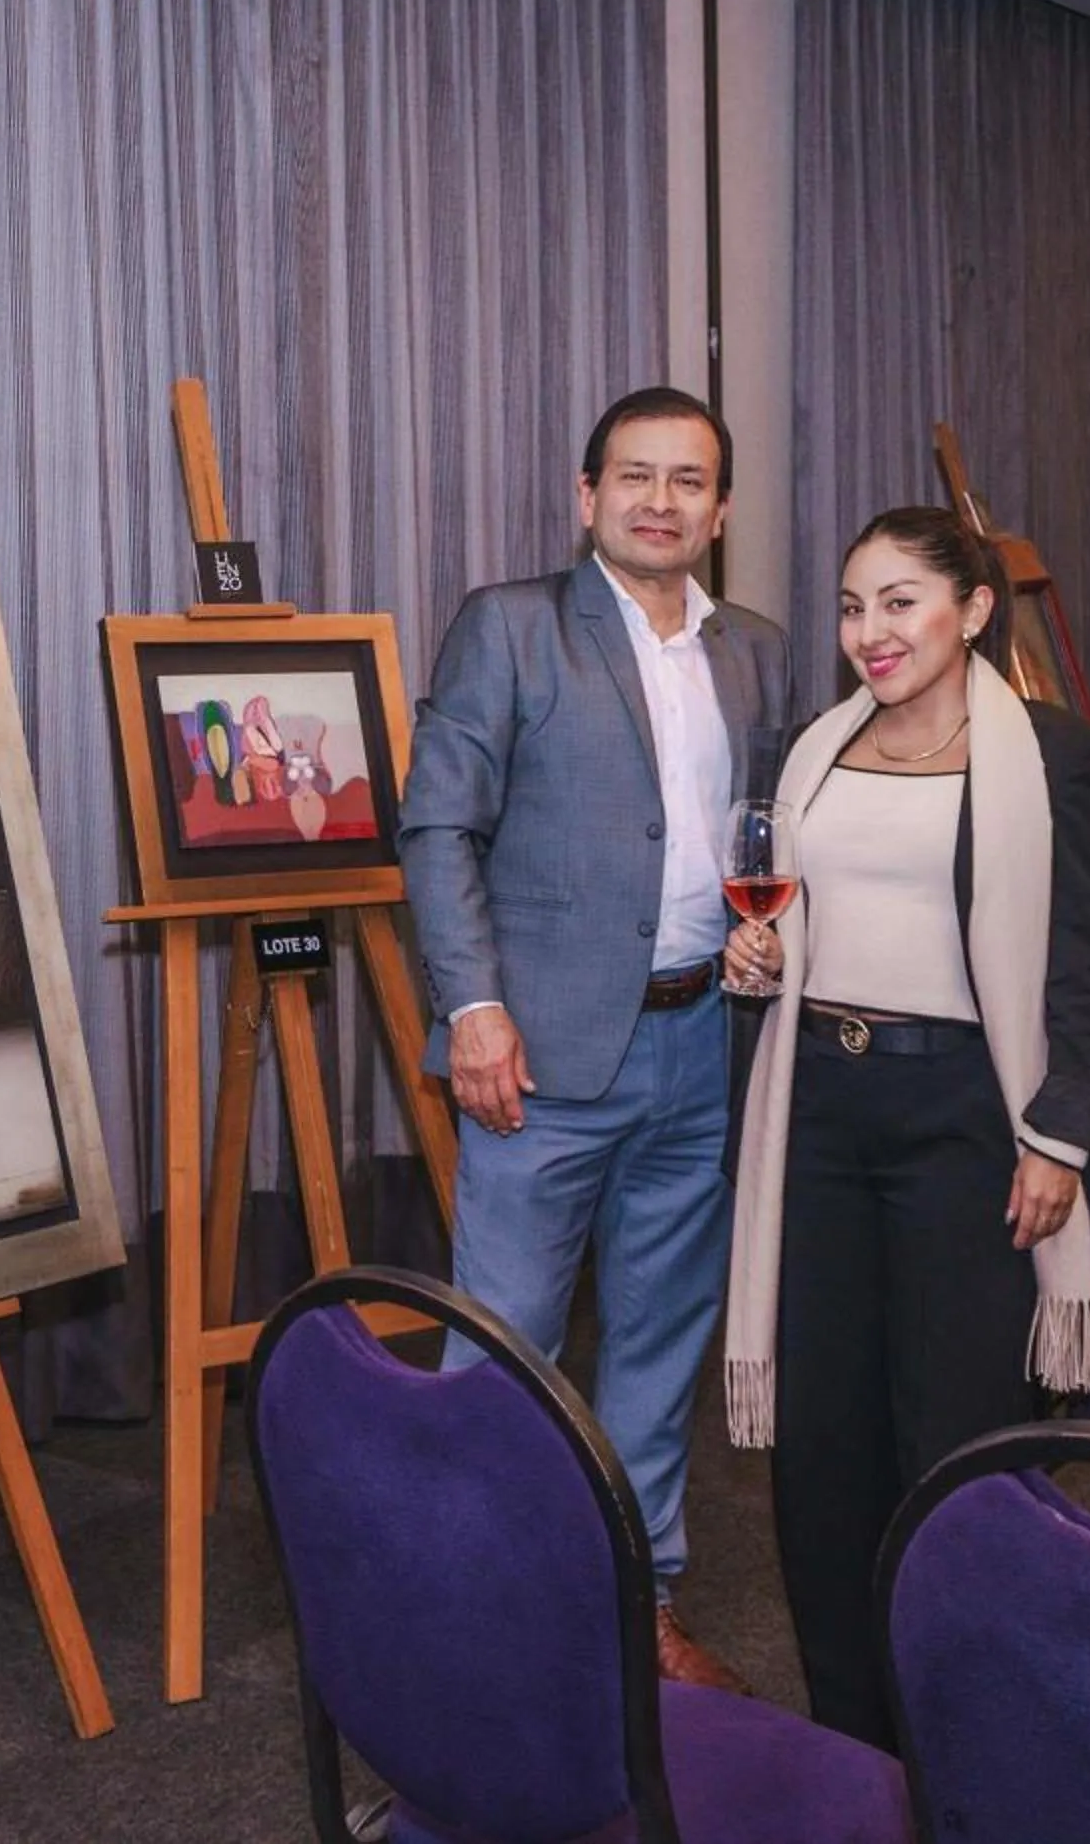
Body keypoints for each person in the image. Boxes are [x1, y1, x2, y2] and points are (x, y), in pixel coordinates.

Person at [401, 386, 798, 1691]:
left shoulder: (757, 650)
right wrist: (473, 1008)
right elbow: (439, 828)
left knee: (658, 1347)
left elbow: (764, 836)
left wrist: (764, 938)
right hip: (537, 1059)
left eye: (689, 481)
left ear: (721, 510)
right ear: (587, 496)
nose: (659, 501)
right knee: (503, 1352)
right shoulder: (510, 627)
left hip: (702, 1049)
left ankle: (638, 1603)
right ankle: (473, 1630)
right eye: (635, 475)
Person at [717, 505, 1090, 1749]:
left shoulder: (1056, 758)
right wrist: (758, 960)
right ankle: (854, 1741)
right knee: (823, 1450)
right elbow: (792, 919)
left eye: (900, 602)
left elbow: (1087, 962)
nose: (870, 632)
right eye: (853, 607)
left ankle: (966, 1734)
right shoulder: (814, 748)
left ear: (974, 609)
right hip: (819, 1115)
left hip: (966, 1122)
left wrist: (1058, 1137)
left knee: (953, 1441)